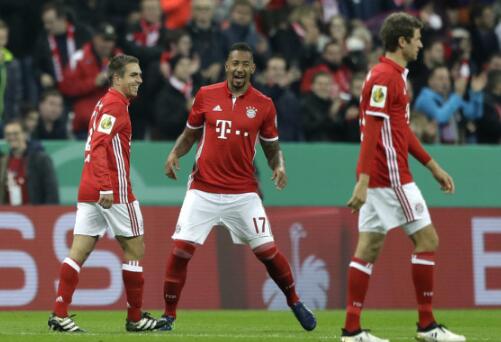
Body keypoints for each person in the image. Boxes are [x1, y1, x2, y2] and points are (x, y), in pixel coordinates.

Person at [158, 42, 317, 332]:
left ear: (253, 69)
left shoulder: (265, 104)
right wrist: (174, 154)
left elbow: (272, 147)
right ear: (227, 66)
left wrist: (279, 166)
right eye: (235, 64)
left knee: (268, 252)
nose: (240, 69)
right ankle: (168, 317)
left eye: (246, 64)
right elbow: (190, 134)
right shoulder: (206, 95)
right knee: (180, 250)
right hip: (203, 188)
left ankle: (294, 301)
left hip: (243, 192)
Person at [342, 13, 466, 342]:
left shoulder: (389, 75)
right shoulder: (385, 78)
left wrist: (432, 166)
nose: (421, 44)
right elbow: (372, 132)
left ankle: (351, 330)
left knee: (367, 248)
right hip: (391, 177)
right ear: (402, 41)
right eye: (417, 38)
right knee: (428, 241)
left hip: (382, 175)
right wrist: (365, 179)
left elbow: (400, 130)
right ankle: (427, 326)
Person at [48, 54, 165, 333]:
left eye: (139, 74)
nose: (140, 80)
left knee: (79, 251)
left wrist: (98, 185)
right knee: (135, 248)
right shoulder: (114, 105)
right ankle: (135, 319)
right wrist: (106, 186)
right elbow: (99, 146)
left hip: (90, 187)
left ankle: (59, 314)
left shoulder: (106, 102)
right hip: (112, 189)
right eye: (133, 75)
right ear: (117, 79)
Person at [0, 119, 59, 205]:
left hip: (35, 214)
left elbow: (51, 190)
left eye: (16, 133)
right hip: (10, 215)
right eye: (8, 134)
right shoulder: (4, 162)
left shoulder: (41, 159)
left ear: (24, 134)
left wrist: (49, 215)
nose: (12, 137)